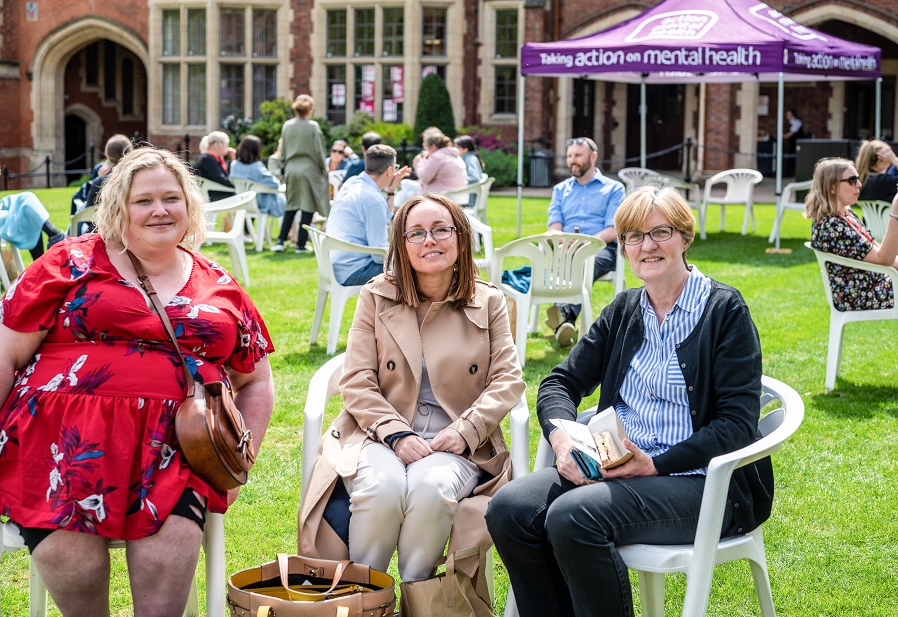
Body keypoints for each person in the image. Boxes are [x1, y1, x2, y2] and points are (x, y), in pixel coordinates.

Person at [0, 147, 276, 616]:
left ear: (189, 206)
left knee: (166, 564)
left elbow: (257, 382)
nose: (160, 210)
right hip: (59, 448)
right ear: (119, 209)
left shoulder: (218, 284)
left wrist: (236, 463)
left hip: (175, 454)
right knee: (73, 563)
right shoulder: (67, 263)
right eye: (144, 201)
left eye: (171, 198)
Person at [487, 186, 771, 617]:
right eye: (633, 236)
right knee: (510, 509)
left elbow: (736, 424)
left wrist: (655, 464)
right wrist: (563, 440)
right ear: (623, 248)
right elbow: (559, 383)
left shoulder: (723, 311)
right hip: (616, 466)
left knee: (572, 516)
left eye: (660, 232)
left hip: (703, 484)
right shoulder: (625, 310)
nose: (647, 246)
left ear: (685, 238)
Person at [299, 194, 524, 589]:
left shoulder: (489, 300)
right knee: (380, 488)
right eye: (416, 233)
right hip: (379, 433)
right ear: (401, 245)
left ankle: (418, 596)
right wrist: (396, 434)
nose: (429, 241)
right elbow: (357, 378)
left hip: (457, 439)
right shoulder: (375, 295)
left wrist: (465, 431)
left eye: (440, 230)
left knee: (431, 488)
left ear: (460, 237)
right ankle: (365, 597)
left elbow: (507, 379)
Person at [544, 136, 625, 347]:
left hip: (601, 249)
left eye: (578, 155)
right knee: (559, 259)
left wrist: (584, 244)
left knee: (580, 260)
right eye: (569, 156)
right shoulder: (560, 190)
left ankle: (563, 312)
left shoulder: (614, 188)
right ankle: (565, 320)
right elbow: (554, 226)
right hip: (565, 247)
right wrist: (563, 241)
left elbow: (613, 229)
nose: (572, 160)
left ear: (593, 156)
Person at [805, 157, 898, 311]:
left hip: (876, 284)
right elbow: (883, 259)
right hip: (861, 295)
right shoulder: (832, 226)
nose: (859, 184)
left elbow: (879, 251)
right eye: (852, 180)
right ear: (832, 187)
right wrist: (895, 213)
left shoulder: (846, 215)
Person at [324, 144, 409, 286]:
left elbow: (385, 217)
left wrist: (391, 190)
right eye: (395, 167)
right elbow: (379, 255)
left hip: (336, 265)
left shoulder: (352, 183)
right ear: (389, 170)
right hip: (355, 270)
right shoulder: (373, 200)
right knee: (415, 271)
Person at [272, 94, 330, 253]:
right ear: (310, 109)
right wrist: (323, 169)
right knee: (307, 207)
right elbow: (319, 151)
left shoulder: (287, 126)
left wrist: (285, 167)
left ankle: (280, 241)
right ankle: (301, 245)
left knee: (291, 206)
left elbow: (283, 151)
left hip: (291, 169)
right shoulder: (312, 126)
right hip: (309, 170)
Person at [229, 135, 286, 218]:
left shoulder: (234, 165)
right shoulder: (257, 167)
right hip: (262, 204)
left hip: (242, 202)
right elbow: (275, 184)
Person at [410, 127, 468, 202]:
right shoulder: (454, 155)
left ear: (433, 146)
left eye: (426, 147)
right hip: (460, 198)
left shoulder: (437, 157)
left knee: (407, 191)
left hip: (443, 199)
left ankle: (396, 209)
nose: (426, 150)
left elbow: (424, 178)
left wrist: (419, 162)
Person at [84, 133, 133, 209]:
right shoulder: (136, 176)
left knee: (77, 198)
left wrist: (99, 179)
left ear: (107, 154)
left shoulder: (100, 180)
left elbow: (89, 209)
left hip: (104, 213)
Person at [194, 130, 236, 201]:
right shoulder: (207, 159)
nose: (228, 147)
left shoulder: (214, 158)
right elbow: (222, 180)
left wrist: (233, 159)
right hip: (215, 196)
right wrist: (237, 185)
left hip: (218, 194)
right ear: (217, 144)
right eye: (226, 144)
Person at [454, 134, 485, 207]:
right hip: (467, 198)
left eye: (457, 147)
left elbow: (475, 178)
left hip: (468, 201)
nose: (455, 149)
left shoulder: (470, 159)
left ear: (465, 149)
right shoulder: (468, 158)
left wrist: (457, 180)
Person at [782, 109, 804, 178]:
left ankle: (788, 174)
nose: (787, 116)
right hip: (793, 144)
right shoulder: (790, 123)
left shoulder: (796, 122)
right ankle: (788, 173)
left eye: (788, 114)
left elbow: (791, 133)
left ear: (793, 115)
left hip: (798, 144)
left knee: (793, 159)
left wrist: (783, 137)